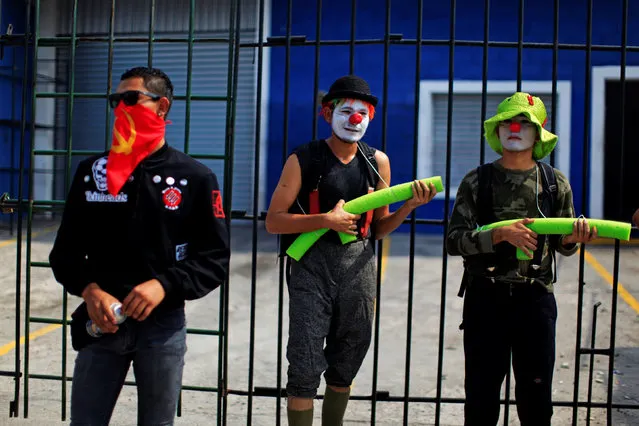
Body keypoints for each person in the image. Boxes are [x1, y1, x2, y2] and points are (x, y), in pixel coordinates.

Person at [49, 66, 230, 426]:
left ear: (162, 107)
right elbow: (65, 251)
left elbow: (214, 259)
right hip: (103, 323)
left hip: (161, 326)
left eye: (131, 99)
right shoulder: (92, 172)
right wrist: (90, 290)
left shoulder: (194, 177)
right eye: (116, 101)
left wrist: (163, 285)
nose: (120, 108)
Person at [265, 74, 437, 426]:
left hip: (359, 265)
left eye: (362, 112)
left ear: (370, 116)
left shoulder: (378, 162)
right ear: (327, 114)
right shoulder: (304, 158)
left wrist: (407, 207)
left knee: (350, 352)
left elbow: (379, 229)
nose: (354, 118)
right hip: (311, 266)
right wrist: (325, 220)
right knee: (305, 357)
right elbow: (274, 221)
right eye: (346, 110)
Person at [446, 92, 598, 426]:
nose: (514, 128)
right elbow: (454, 241)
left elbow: (563, 244)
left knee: (536, 399)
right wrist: (499, 234)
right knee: (482, 399)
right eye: (508, 122)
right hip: (486, 298)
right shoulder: (477, 180)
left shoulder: (554, 183)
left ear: (538, 132)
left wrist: (575, 238)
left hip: (535, 300)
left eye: (524, 122)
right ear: (497, 131)